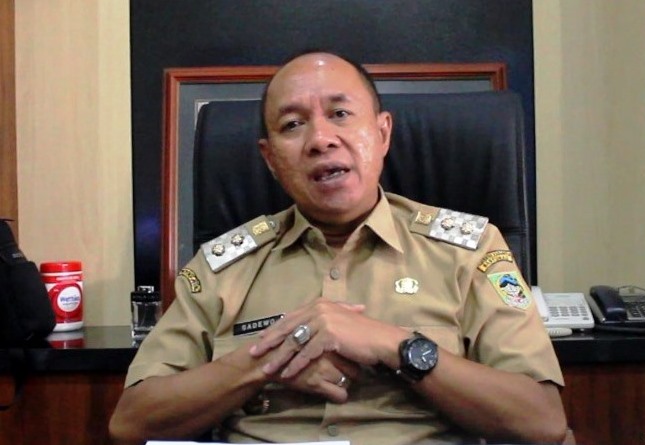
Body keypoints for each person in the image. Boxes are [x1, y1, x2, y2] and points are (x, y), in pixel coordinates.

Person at [109, 50, 567, 445]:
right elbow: (131, 422)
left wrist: (395, 345)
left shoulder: (468, 251)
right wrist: (269, 361)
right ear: (270, 159)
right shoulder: (222, 268)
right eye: (293, 124)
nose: (320, 139)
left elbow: (542, 421)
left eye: (341, 114)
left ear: (382, 133)